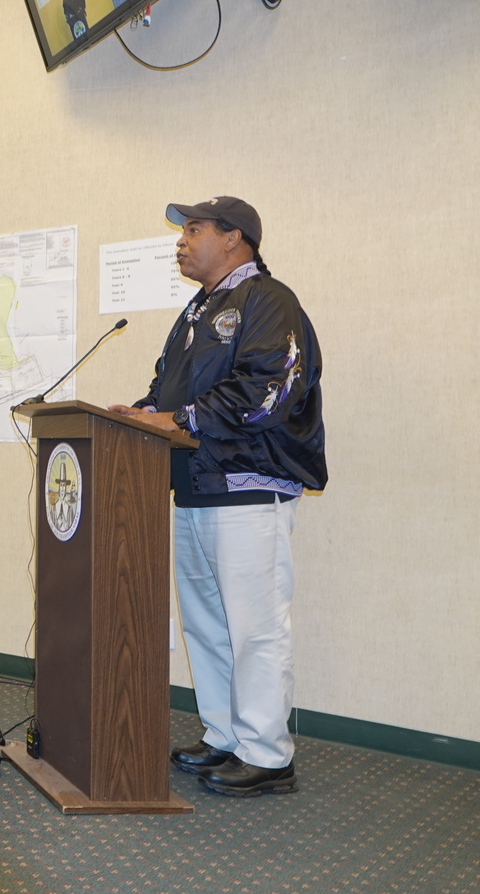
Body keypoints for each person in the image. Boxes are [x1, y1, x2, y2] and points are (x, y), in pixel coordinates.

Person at [109, 196, 325, 797]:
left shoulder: (268, 300)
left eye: (194, 229)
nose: (181, 240)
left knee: (255, 627)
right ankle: (225, 735)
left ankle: (267, 753)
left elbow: (270, 389)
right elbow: (167, 388)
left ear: (235, 238)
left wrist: (176, 416)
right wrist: (144, 412)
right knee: (205, 624)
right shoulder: (196, 311)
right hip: (194, 487)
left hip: (249, 488)